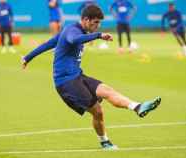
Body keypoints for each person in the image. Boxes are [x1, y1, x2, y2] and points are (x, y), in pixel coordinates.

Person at [22, 5, 161, 150]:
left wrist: (27, 58)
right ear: (85, 20)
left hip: (77, 75)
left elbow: (49, 43)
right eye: (95, 23)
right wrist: (99, 35)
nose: (97, 26)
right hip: (66, 83)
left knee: (107, 90)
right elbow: (74, 39)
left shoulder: (73, 30)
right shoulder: (72, 30)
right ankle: (104, 141)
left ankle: (137, 107)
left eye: (99, 23)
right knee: (98, 110)